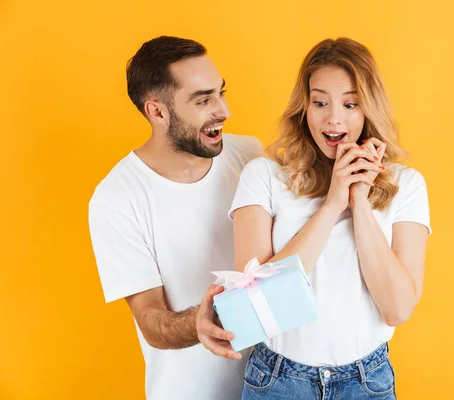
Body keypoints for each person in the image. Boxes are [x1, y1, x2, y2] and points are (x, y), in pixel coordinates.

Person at [230, 38, 432, 399]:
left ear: (369, 108)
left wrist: (358, 200)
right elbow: (253, 308)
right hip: (277, 379)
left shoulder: (407, 185)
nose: (333, 118)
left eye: (350, 104)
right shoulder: (263, 176)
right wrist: (331, 204)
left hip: (365, 382)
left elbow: (398, 309)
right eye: (320, 102)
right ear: (304, 107)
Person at [88, 36, 263, 400]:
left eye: (220, 93)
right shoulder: (117, 198)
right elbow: (150, 318)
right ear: (157, 111)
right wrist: (198, 322)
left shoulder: (249, 154)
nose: (223, 110)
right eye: (203, 100)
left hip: (275, 386)